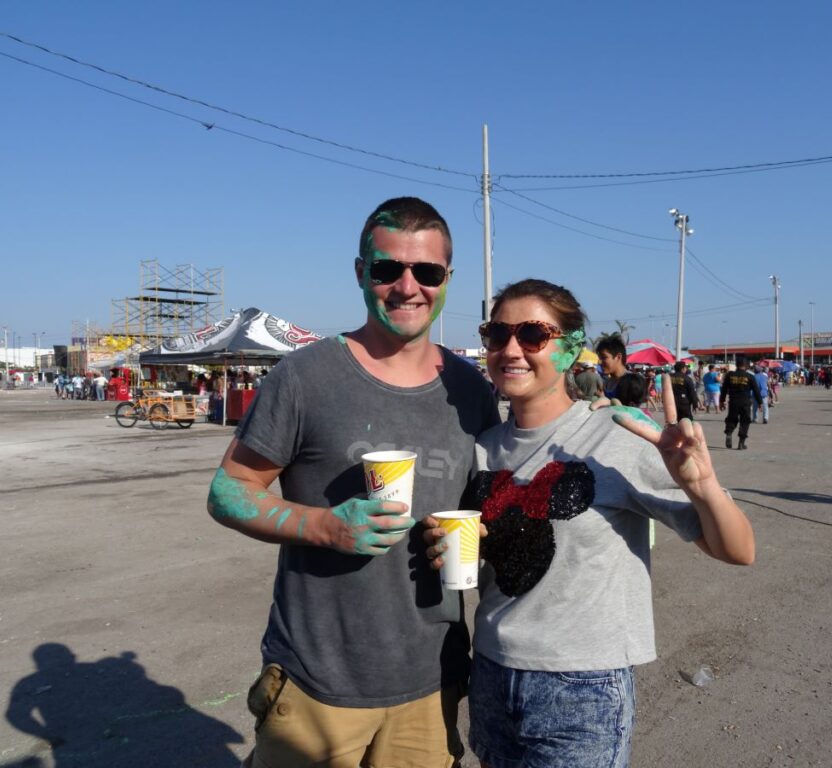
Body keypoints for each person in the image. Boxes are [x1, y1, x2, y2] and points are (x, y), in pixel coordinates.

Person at [206, 197, 499, 768]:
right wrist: (322, 526)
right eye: (388, 269)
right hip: (318, 681)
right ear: (362, 272)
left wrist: (479, 536)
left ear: (447, 280)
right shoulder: (304, 377)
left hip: (430, 679)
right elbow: (228, 490)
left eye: (428, 272)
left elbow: (481, 507)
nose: (407, 286)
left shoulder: (472, 390)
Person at [424, 279, 753, 768]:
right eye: (497, 334)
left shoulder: (618, 434)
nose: (511, 349)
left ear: (573, 347)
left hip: (580, 686)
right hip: (492, 670)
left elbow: (738, 549)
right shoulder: (482, 446)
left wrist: (702, 484)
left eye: (533, 335)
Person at [721, 357, 763, 450]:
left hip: (733, 401)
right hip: (745, 402)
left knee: (731, 419)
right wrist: (760, 403)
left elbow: (724, 389)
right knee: (745, 421)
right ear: (746, 366)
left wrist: (721, 401)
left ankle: (729, 433)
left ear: (736, 365)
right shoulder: (750, 376)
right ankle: (741, 443)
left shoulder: (729, 375)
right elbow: (756, 391)